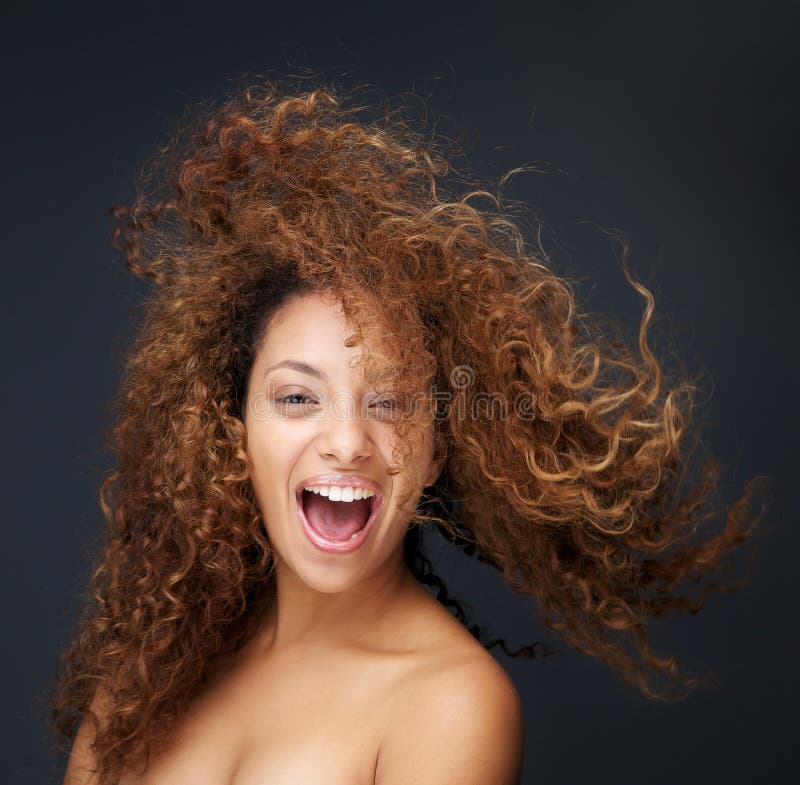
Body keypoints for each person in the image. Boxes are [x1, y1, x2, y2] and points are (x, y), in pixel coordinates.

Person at [51, 81, 765, 785]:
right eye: (298, 396)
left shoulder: (451, 705)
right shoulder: (145, 675)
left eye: (390, 404)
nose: (348, 440)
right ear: (232, 434)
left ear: (436, 453)